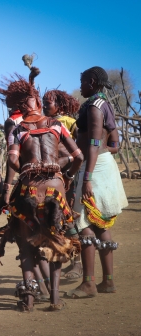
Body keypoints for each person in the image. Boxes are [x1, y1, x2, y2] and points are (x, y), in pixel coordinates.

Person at [0, 74, 84, 312]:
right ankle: (55, 300)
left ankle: (30, 299)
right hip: (56, 186)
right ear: (37, 103)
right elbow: (78, 157)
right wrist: (69, 177)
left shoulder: (17, 128)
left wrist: (25, 169)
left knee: (26, 247)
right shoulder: (57, 125)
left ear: (19, 107)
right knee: (56, 242)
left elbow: (12, 160)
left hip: (29, 187)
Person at [66, 66, 128, 299]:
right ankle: (108, 282)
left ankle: (89, 284)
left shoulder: (93, 107)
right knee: (101, 224)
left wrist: (88, 178)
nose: (80, 86)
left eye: (82, 82)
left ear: (92, 82)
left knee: (84, 225)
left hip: (93, 169)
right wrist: (102, 150)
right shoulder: (105, 105)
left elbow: (92, 144)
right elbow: (114, 142)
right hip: (102, 165)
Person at [43, 89, 82, 280]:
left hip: (64, 178)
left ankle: (78, 264)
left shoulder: (66, 123)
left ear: (59, 105)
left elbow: (72, 154)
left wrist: (66, 174)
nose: (43, 106)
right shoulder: (44, 122)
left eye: (47, 103)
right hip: (51, 179)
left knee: (67, 220)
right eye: (42, 102)